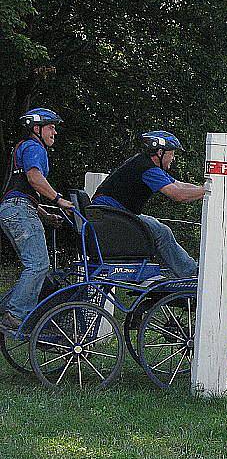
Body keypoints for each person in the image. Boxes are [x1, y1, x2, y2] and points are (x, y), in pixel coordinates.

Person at [92, 131, 205, 278]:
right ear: (160, 152)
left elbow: (179, 185)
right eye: (172, 154)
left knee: (157, 226)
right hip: (113, 214)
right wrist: (207, 191)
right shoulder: (148, 170)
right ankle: (190, 273)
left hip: (113, 213)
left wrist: (205, 189)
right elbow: (178, 195)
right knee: (162, 232)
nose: (173, 158)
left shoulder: (145, 163)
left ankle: (183, 270)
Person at [0, 108, 74, 330]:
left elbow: (21, 192)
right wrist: (58, 199)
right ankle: (14, 315)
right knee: (39, 264)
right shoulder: (34, 147)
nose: (55, 132)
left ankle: (6, 309)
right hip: (19, 210)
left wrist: (45, 215)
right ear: (37, 129)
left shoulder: (23, 147)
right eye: (51, 127)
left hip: (14, 208)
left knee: (35, 267)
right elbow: (34, 178)